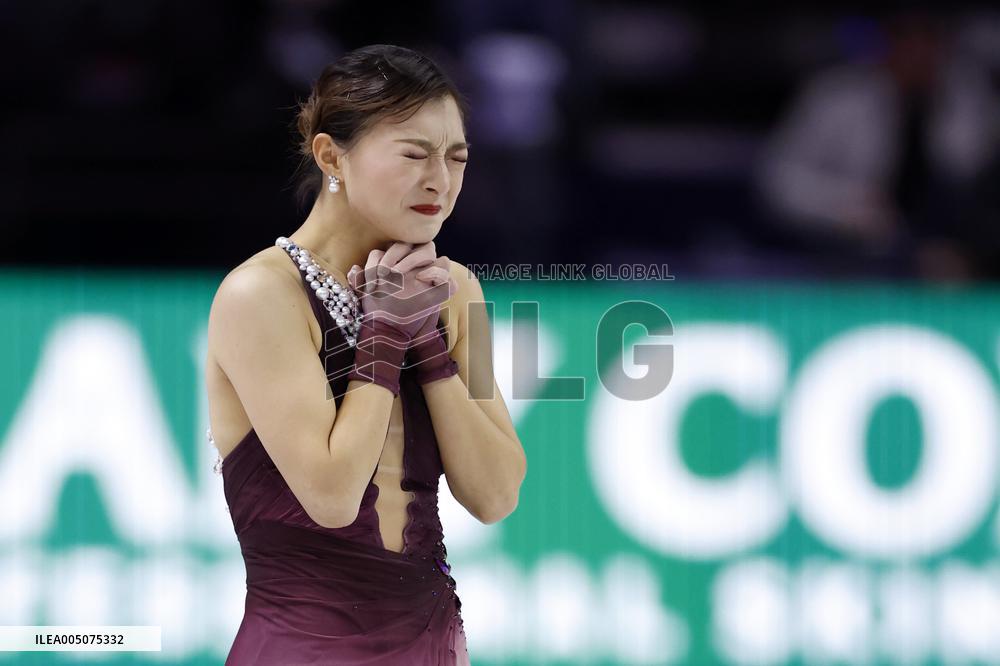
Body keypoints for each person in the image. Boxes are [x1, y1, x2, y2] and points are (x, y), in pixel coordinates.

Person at [204, 44, 526, 665]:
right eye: (413, 155)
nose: (440, 180)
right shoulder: (260, 295)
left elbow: (496, 494)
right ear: (332, 157)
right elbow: (329, 496)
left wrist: (427, 342)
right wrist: (383, 337)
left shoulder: (456, 290)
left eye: (456, 158)